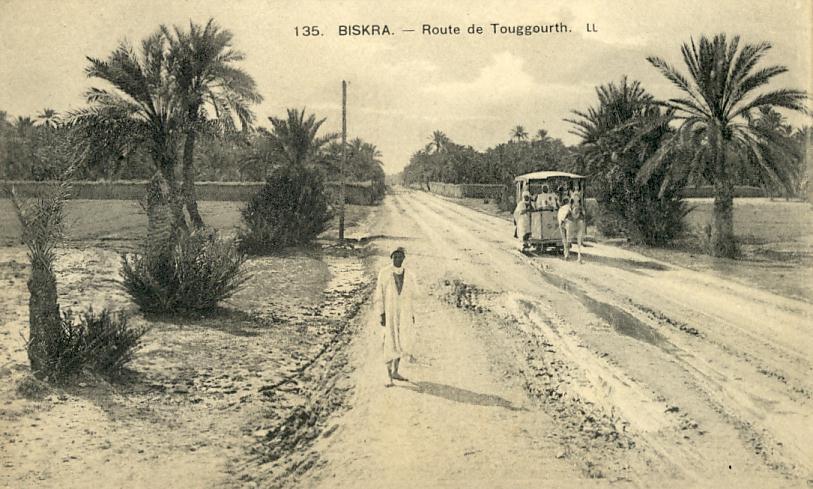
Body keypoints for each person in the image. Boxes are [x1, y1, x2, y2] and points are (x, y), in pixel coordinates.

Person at [374, 247, 416, 387]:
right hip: (390, 313)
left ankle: (395, 371)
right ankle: (388, 376)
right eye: (395, 256)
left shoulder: (409, 275)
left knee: (402, 340)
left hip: (403, 313)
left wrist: (411, 314)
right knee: (389, 341)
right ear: (391, 257)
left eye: (400, 257)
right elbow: (379, 295)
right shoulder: (384, 273)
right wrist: (381, 313)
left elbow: (411, 296)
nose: (398, 259)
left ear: (404, 258)